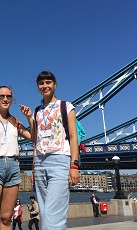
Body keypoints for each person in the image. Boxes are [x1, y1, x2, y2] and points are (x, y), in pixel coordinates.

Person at [0, 86, 34, 230]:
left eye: (8, 96)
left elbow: (33, 138)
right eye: (1, 96)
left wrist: (29, 118)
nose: (5, 99)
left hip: (13, 168)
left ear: (12, 99)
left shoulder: (14, 121)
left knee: (6, 218)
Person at [32, 71, 80, 229]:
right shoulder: (37, 111)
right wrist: (33, 168)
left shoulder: (66, 106)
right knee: (46, 214)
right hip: (39, 163)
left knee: (54, 216)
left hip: (60, 161)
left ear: (55, 85)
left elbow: (73, 137)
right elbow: (36, 140)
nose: (44, 86)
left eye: (48, 82)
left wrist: (74, 165)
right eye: (41, 83)